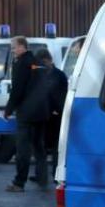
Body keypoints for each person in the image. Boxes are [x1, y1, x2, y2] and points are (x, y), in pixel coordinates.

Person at [4, 36, 49, 192]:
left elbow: (17, 89)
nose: (13, 51)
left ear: (23, 47)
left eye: (14, 47)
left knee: (23, 148)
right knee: (39, 147)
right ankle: (43, 179)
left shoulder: (21, 63)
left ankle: (19, 182)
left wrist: (8, 109)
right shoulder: (38, 62)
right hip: (41, 111)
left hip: (27, 112)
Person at [35, 48, 68, 180]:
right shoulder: (38, 74)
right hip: (42, 114)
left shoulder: (59, 75)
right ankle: (40, 174)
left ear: (49, 60)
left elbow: (62, 95)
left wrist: (57, 110)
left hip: (55, 115)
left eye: (43, 62)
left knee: (55, 146)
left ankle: (56, 173)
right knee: (40, 145)